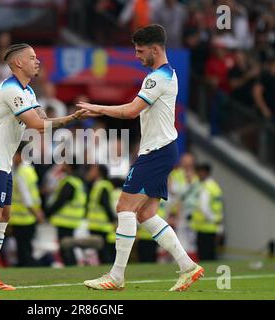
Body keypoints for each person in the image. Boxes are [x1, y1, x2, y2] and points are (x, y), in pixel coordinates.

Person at [78, 24, 204, 291]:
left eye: (139, 50)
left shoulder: (156, 77)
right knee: (146, 214)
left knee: (125, 208)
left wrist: (96, 108)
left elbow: (131, 111)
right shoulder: (168, 75)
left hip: (156, 152)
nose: (136, 56)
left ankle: (116, 276)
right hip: (163, 149)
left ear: (155, 49)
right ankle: (187, 266)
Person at [0, 43, 87, 291]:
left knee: (4, 215)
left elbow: (42, 119)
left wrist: (55, 119)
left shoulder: (28, 91)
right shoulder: (11, 89)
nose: (38, 62)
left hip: (4, 160)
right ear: (18, 63)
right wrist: (69, 119)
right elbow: (36, 125)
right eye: (32, 58)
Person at [9, 144, 44, 267]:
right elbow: (34, 193)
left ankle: (29, 268)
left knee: (24, 250)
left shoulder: (20, 172)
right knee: (27, 247)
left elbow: (26, 197)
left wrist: (36, 213)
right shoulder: (29, 169)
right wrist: (38, 212)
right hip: (29, 216)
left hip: (23, 217)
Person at [47, 163, 87, 266]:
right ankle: (71, 265)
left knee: (65, 246)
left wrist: (48, 213)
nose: (62, 166)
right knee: (68, 246)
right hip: (73, 219)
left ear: (69, 166)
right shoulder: (78, 181)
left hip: (65, 220)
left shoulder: (70, 182)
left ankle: (70, 265)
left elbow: (60, 201)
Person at [190, 163, 224, 261]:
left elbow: (204, 207)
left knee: (204, 257)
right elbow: (219, 209)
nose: (198, 175)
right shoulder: (215, 186)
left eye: (199, 172)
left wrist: (213, 219)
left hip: (204, 227)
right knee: (211, 256)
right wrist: (219, 226)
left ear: (204, 172)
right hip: (212, 228)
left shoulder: (206, 187)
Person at [85, 164, 116, 264]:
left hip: (102, 226)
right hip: (98, 225)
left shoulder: (102, 185)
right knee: (102, 253)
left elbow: (105, 204)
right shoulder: (98, 185)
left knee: (104, 253)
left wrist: (113, 220)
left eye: (92, 170)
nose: (89, 172)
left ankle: (108, 274)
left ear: (99, 172)